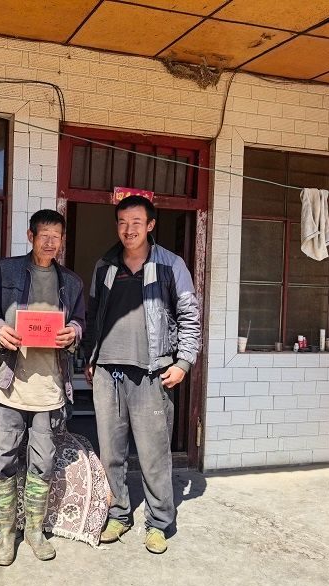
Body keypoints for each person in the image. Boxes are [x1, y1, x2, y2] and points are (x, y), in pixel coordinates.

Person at [84, 195, 201, 554]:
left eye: (136, 222)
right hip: (108, 371)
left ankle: (159, 522)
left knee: (153, 454)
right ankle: (118, 514)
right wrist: (90, 357)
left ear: (150, 225)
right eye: (122, 222)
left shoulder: (170, 265)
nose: (128, 229)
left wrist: (183, 363)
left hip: (153, 373)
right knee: (111, 452)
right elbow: (92, 315)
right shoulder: (104, 265)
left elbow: (190, 316)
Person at [0, 209, 85, 566]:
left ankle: (35, 531)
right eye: (44, 235)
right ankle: (5, 534)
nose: (50, 242)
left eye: (56, 236)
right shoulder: (7, 270)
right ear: (30, 236)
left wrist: (74, 332)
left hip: (49, 388)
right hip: (10, 385)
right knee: (4, 460)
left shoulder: (71, 282)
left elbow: (80, 322)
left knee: (43, 462)